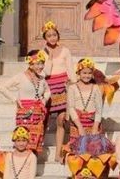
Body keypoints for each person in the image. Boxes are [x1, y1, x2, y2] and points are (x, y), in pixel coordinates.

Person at [0, 50, 51, 154]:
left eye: (42, 64)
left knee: (36, 142)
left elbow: (48, 91)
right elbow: (2, 87)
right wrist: (15, 99)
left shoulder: (42, 79)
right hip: (24, 113)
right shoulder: (20, 76)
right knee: (23, 140)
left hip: (38, 114)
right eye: (38, 64)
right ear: (30, 64)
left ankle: (32, 165)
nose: (41, 67)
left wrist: (44, 100)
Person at [41, 21, 73, 163]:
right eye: (49, 36)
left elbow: (71, 70)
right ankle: (37, 149)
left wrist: (73, 84)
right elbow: (45, 72)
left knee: (61, 120)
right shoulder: (42, 53)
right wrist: (48, 56)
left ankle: (58, 153)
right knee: (43, 119)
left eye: (54, 35)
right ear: (45, 38)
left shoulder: (65, 51)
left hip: (62, 86)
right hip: (48, 87)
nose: (52, 38)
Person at [67, 58, 103, 149]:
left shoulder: (95, 88)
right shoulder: (72, 88)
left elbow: (99, 109)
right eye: (84, 73)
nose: (87, 76)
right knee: (79, 150)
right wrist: (79, 126)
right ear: (79, 73)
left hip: (92, 123)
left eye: (89, 73)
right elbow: (71, 107)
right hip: (77, 123)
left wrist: (95, 126)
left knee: (93, 150)